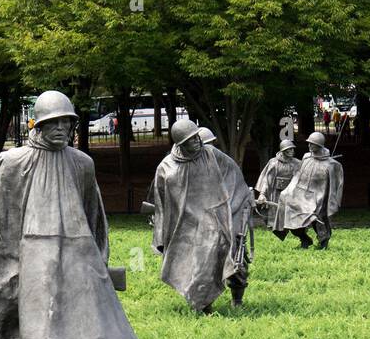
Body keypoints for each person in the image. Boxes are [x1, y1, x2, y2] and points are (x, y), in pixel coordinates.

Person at [0, 89, 147, 339]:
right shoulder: (13, 162)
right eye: (55, 123)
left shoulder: (82, 164)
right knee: (8, 310)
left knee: (69, 315)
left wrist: (96, 259)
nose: (62, 129)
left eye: (67, 123)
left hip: (74, 250)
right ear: (38, 125)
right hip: (26, 250)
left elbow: (93, 215)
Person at [147, 119, 253, 312]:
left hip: (219, 218)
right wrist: (161, 234)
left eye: (197, 137)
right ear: (180, 144)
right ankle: (204, 304)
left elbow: (234, 177)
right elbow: (162, 204)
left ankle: (237, 298)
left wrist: (236, 207)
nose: (197, 142)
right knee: (199, 265)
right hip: (187, 224)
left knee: (235, 256)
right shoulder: (166, 168)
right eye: (191, 140)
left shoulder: (212, 155)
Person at [273, 131, 343, 249]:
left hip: (319, 197)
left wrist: (332, 203)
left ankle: (323, 242)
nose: (309, 146)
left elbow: (336, 186)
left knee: (318, 218)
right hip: (302, 194)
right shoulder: (306, 157)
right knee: (289, 210)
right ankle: (304, 239)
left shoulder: (332, 165)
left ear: (319, 145)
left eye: (312, 144)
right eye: (309, 143)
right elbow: (298, 176)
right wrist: (288, 191)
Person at [254, 139, 299, 232]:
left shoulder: (297, 163)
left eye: (292, 149)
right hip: (276, 192)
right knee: (275, 213)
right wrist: (262, 194)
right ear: (283, 150)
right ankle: (276, 228)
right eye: (289, 149)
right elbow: (267, 180)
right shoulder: (274, 163)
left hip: (292, 193)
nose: (292, 151)